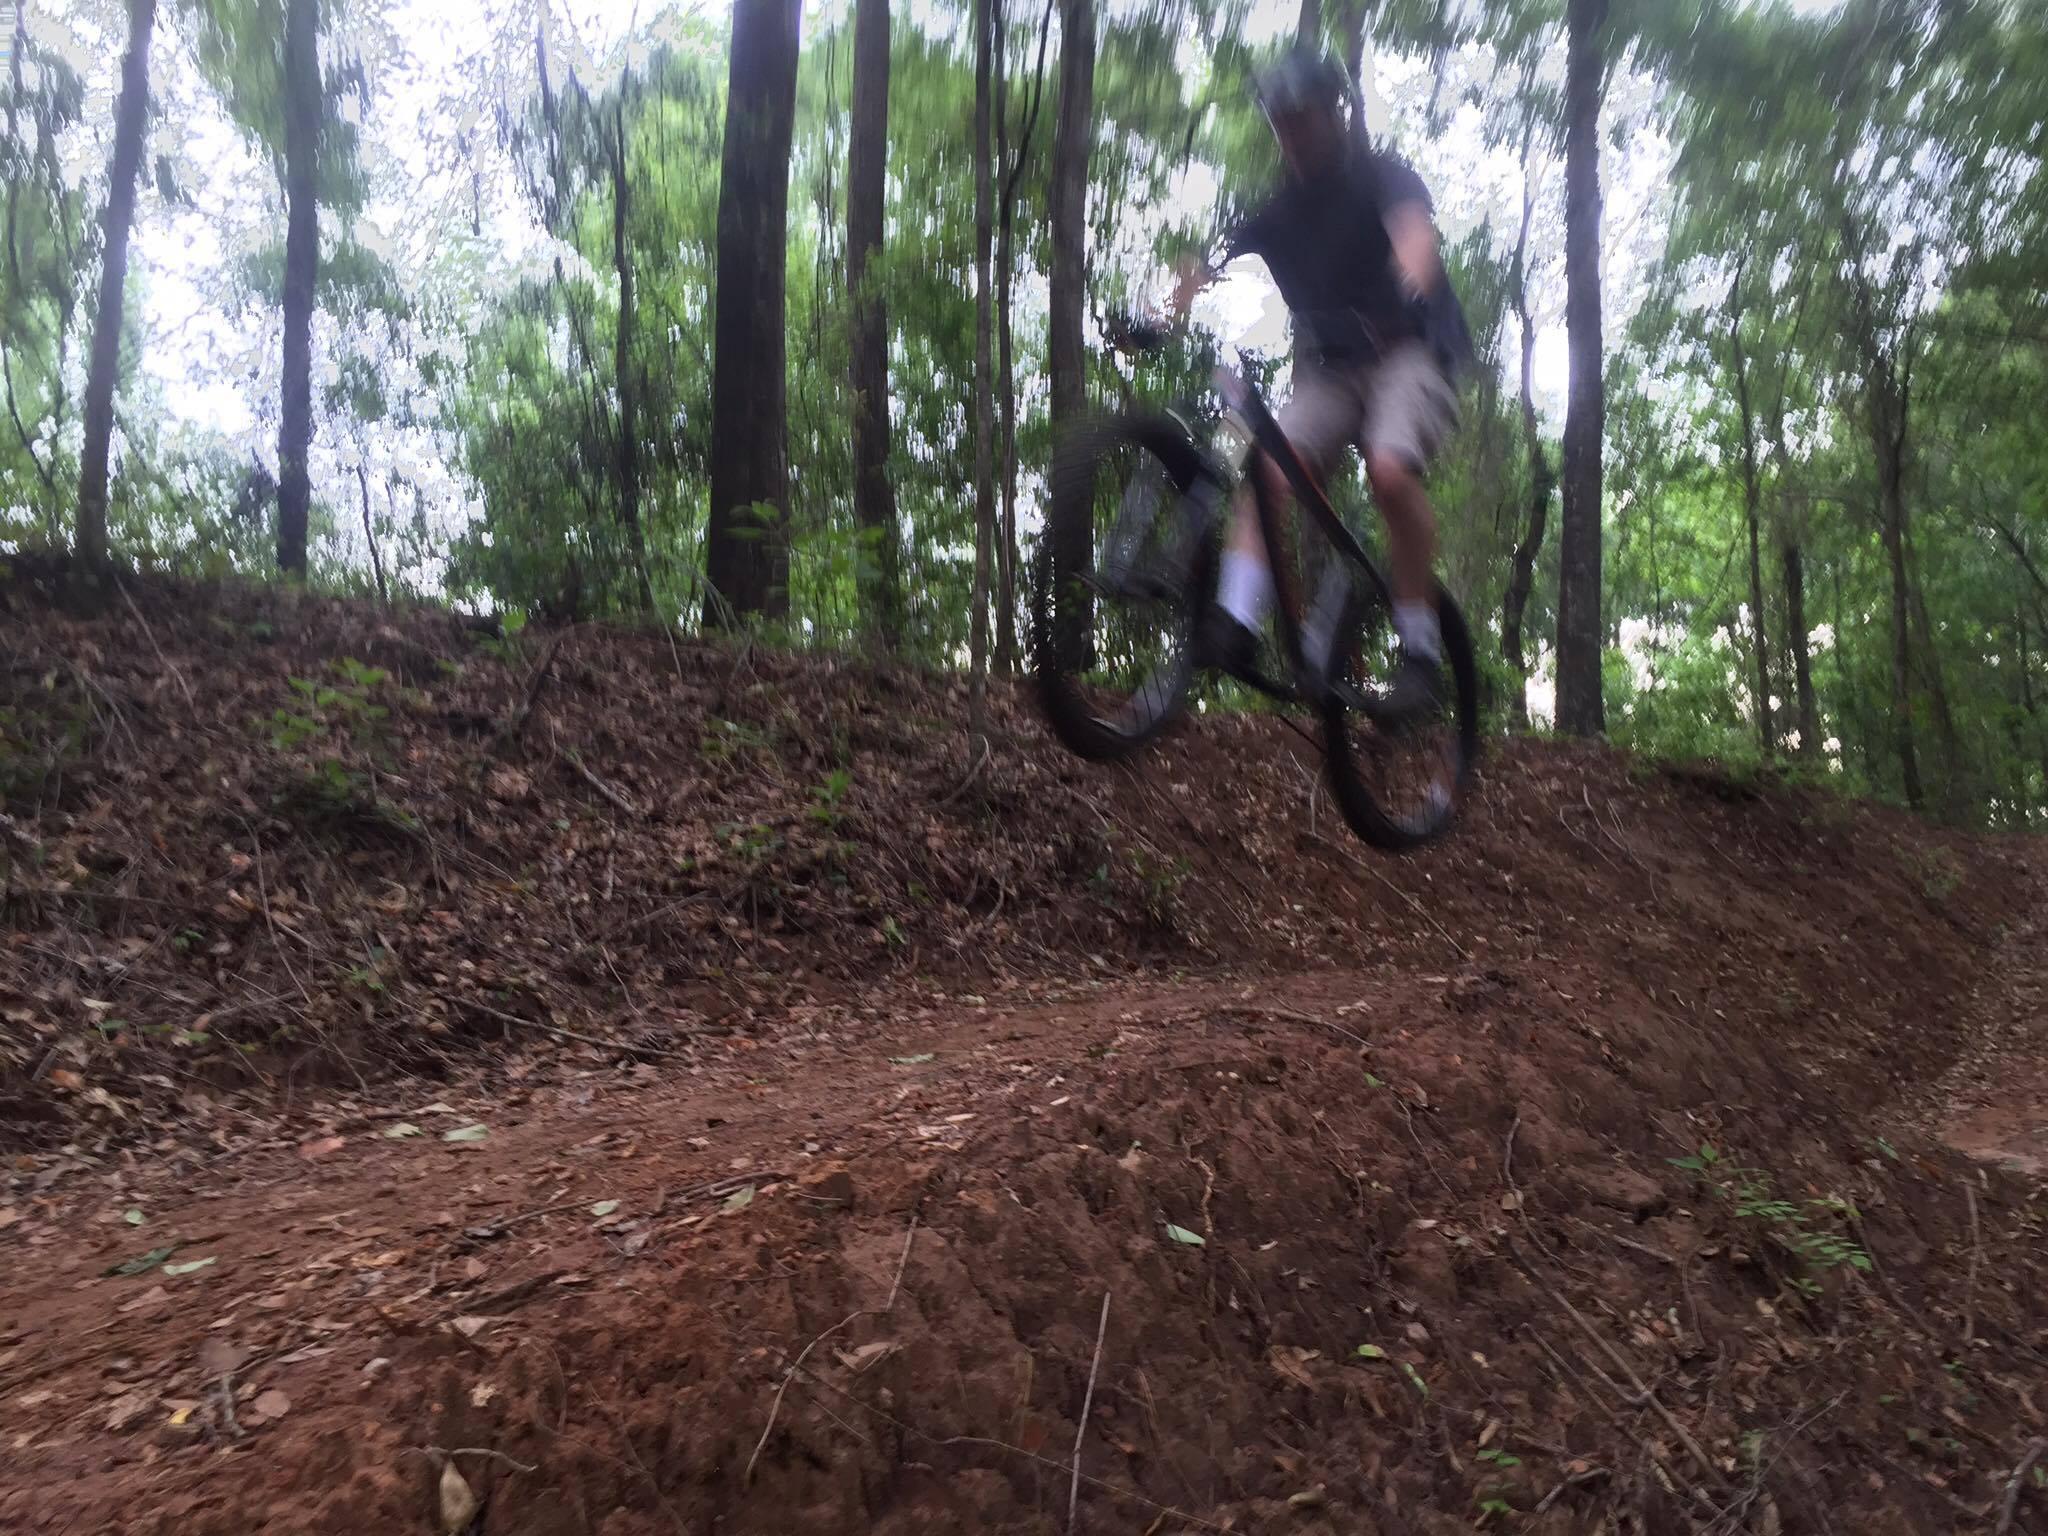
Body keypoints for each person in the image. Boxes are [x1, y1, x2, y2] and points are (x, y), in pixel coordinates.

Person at [1165, 48, 1471, 719]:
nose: (1292, 134)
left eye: (1301, 119)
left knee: (1389, 472)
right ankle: (1236, 622)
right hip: (1331, 371)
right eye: (1281, 123)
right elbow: (1208, 268)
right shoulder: (1278, 210)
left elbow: (1414, 236)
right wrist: (1161, 312)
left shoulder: (1380, 174)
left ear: (1333, 114)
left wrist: (1412, 276)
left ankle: (1420, 653)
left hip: (1407, 354)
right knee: (1270, 471)